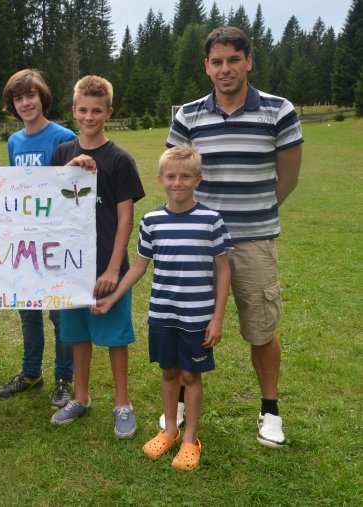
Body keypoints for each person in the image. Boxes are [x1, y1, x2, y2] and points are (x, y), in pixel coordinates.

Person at [166, 26, 303, 448]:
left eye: (233, 60)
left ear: (248, 61)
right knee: (189, 325)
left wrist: (254, 214)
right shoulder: (188, 116)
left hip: (253, 242)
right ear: (206, 67)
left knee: (261, 330)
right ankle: (183, 401)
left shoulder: (278, 111)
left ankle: (270, 410)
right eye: (217, 62)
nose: (225, 69)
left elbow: (288, 179)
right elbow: (177, 172)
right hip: (198, 244)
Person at [94, 146, 233, 470]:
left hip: (197, 316)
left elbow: (224, 270)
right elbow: (139, 267)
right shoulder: (151, 221)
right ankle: (170, 430)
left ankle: (190, 439)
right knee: (169, 371)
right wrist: (113, 297)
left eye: (185, 176)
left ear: (197, 179)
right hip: (162, 314)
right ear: (160, 180)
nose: (178, 182)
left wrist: (217, 318)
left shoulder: (211, 221)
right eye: (171, 176)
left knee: (191, 374)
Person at [48, 75, 145, 438]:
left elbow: (125, 218)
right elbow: (49, 200)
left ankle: (123, 403)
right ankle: (81, 397)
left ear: (109, 113)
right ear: (74, 111)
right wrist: (70, 170)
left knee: (115, 337)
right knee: (77, 335)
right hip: (71, 266)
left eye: (97, 111)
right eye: (83, 110)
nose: (89, 117)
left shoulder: (120, 159)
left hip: (106, 265)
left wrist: (114, 268)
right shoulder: (62, 153)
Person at [0, 68, 77, 408]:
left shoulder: (63, 137)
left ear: (42, 97)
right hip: (24, 239)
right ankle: (31, 373)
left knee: (59, 314)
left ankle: (64, 379)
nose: (25, 103)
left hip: (56, 239)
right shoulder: (14, 142)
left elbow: (72, 190)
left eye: (30, 95)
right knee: (28, 310)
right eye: (18, 98)